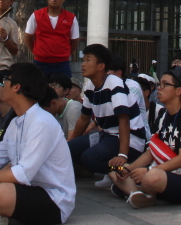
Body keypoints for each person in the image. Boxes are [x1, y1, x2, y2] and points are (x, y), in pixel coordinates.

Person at [0, 63, 76, 225]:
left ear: (17, 87)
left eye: (6, 80)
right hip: (27, 190)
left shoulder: (41, 122)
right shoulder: (16, 122)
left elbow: (23, 173)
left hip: (53, 199)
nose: (3, 84)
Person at [110, 66, 181, 209]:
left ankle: (135, 190)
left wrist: (148, 171)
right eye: (159, 84)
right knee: (114, 169)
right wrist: (129, 169)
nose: (159, 88)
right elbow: (151, 151)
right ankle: (137, 194)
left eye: (165, 84)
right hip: (160, 172)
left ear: (179, 91)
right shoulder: (163, 116)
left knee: (151, 177)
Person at [68, 44, 146, 176]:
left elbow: (124, 120)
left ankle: (123, 170)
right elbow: (84, 118)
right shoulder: (90, 87)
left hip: (130, 139)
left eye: (88, 60)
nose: (83, 64)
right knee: (69, 149)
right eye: (83, 60)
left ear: (101, 66)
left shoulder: (115, 83)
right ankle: (109, 170)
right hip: (108, 135)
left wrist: (122, 154)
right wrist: (70, 144)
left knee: (89, 158)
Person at [24, 0, 79, 78]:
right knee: (38, 90)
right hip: (40, 63)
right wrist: (36, 51)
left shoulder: (71, 18)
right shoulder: (36, 15)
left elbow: (74, 40)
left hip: (62, 64)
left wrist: (65, 54)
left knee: (63, 90)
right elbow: (28, 37)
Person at [109, 54, 150, 139]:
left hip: (137, 135)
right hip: (114, 132)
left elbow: (124, 114)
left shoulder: (132, 86)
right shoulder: (106, 85)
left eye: (107, 70)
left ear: (118, 73)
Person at [47, 73, 83, 140]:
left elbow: (72, 142)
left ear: (66, 90)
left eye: (56, 85)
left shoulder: (73, 108)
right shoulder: (51, 106)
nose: (52, 88)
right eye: (50, 85)